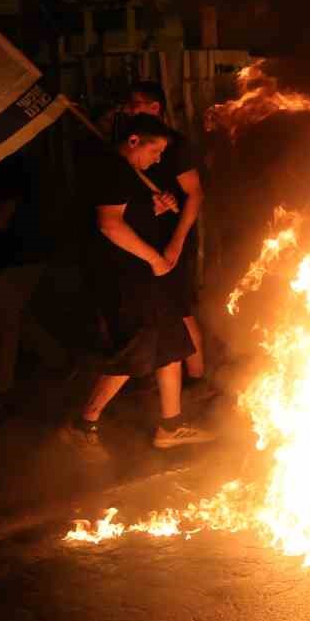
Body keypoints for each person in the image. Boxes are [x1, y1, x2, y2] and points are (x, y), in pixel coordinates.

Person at [58, 114, 214, 456]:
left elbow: (130, 214)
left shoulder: (129, 171)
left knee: (172, 341)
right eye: (154, 150)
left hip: (145, 275)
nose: (158, 159)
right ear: (133, 141)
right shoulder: (112, 170)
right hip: (125, 276)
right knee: (139, 348)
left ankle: (170, 426)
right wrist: (156, 259)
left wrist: (154, 209)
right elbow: (110, 225)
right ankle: (83, 424)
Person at [118, 81, 208, 392]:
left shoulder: (176, 147)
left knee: (179, 309)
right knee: (167, 309)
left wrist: (176, 244)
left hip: (172, 240)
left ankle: (197, 380)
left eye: (134, 104)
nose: (127, 110)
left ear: (155, 108)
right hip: (150, 240)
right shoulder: (129, 146)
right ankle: (174, 378)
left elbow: (195, 195)